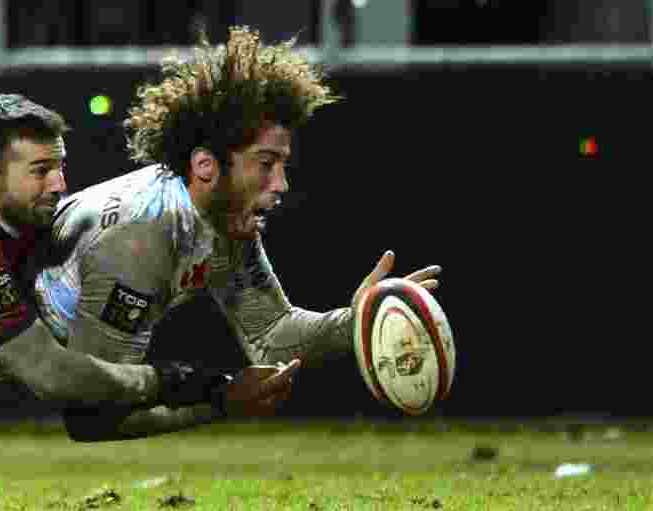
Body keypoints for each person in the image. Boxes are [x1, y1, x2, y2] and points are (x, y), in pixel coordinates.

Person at [0, 93, 297, 508]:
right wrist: (181, 380)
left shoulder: (13, 217)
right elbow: (51, 375)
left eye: (59, 166)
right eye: (41, 170)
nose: (58, 182)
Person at [30, 26, 441, 442]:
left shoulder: (223, 220)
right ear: (206, 166)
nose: (281, 184)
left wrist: (359, 321)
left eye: (282, 164)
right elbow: (91, 417)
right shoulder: (140, 239)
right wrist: (222, 400)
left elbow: (273, 335)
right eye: (266, 163)